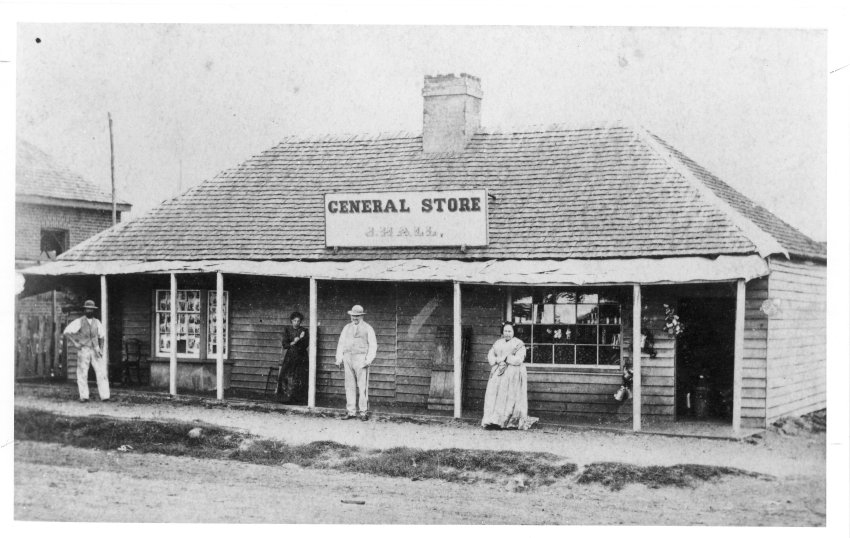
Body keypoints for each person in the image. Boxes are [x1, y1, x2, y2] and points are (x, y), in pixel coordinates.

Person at [481, 321, 538, 430]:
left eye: (509, 331)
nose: (507, 333)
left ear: (513, 332)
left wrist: (507, 359)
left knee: (510, 397)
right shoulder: (498, 343)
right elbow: (491, 356)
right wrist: (498, 360)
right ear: (502, 332)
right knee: (496, 396)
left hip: (513, 374)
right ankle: (494, 420)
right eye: (505, 331)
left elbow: (519, 359)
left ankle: (508, 421)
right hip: (499, 373)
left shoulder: (518, 343)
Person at [335, 305, 377, 420]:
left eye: (357, 316)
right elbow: (341, 343)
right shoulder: (346, 328)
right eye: (353, 316)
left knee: (362, 386)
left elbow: (373, 345)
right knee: (349, 386)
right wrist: (339, 358)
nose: (355, 318)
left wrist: (368, 360)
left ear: (362, 316)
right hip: (348, 357)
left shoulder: (368, 328)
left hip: (361, 358)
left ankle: (363, 412)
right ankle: (351, 411)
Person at [63, 299, 110, 403]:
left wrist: (101, 349)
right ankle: (84, 396)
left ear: (94, 310)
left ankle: (105, 396)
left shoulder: (97, 322)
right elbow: (66, 332)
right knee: (82, 372)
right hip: (84, 349)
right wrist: (75, 343)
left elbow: (102, 336)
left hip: (95, 349)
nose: (89, 311)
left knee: (101, 372)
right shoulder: (79, 321)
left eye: (91, 309)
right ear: (85, 310)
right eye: (87, 309)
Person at [276, 311, 309, 404]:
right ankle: (285, 398)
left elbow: (306, 344)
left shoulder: (304, 331)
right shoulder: (287, 329)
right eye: (295, 320)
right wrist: (294, 342)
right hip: (290, 356)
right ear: (291, 321)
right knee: (286, 376)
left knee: (300, 377)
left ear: (300, 322)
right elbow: (285, 344)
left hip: (301, 356)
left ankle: (298, 399)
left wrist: (299, 341)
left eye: (298, 321)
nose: (296, 323)